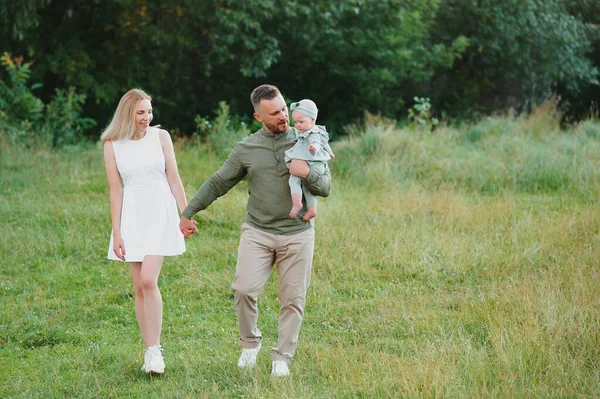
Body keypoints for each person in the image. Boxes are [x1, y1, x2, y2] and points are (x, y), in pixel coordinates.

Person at [179, 84, 332, 377]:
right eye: (274, 114)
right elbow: (218, 182)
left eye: (284, 109)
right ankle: (250, 344)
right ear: (258, 117)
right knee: (244, 289)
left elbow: (325, 187)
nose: (283, 117)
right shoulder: (247, 148)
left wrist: (306, 172)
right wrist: (188, 212)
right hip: (258, 231)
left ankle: (282, 358)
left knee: (292, 299)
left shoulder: (307, 139)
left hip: (297, 233)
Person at [101, 88, 195, 375]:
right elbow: (115, 191)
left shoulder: (161, 137)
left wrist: (186, 214)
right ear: (128, 113)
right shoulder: (112, 144)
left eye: (149, 111)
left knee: (148, 280)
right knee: (139, 286)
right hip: (133, 218)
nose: (147, 117)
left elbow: (174, 178)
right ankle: (149, 350)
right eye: (141, 112)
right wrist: (117, 233)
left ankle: (157, 353)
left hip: (162, 214)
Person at [285, 99, 335, 221]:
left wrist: (314, 148)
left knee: (296, 180)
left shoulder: (313, 133)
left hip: (313, 162)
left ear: (313, 120)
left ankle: (297, 204)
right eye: (295, 122)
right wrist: (330, 152)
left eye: (301, 122)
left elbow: (318, 143)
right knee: (304, 184)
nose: (297, 125)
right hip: (309, 161)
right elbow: (326, 143)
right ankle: (311, 210)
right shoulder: (304, 131)